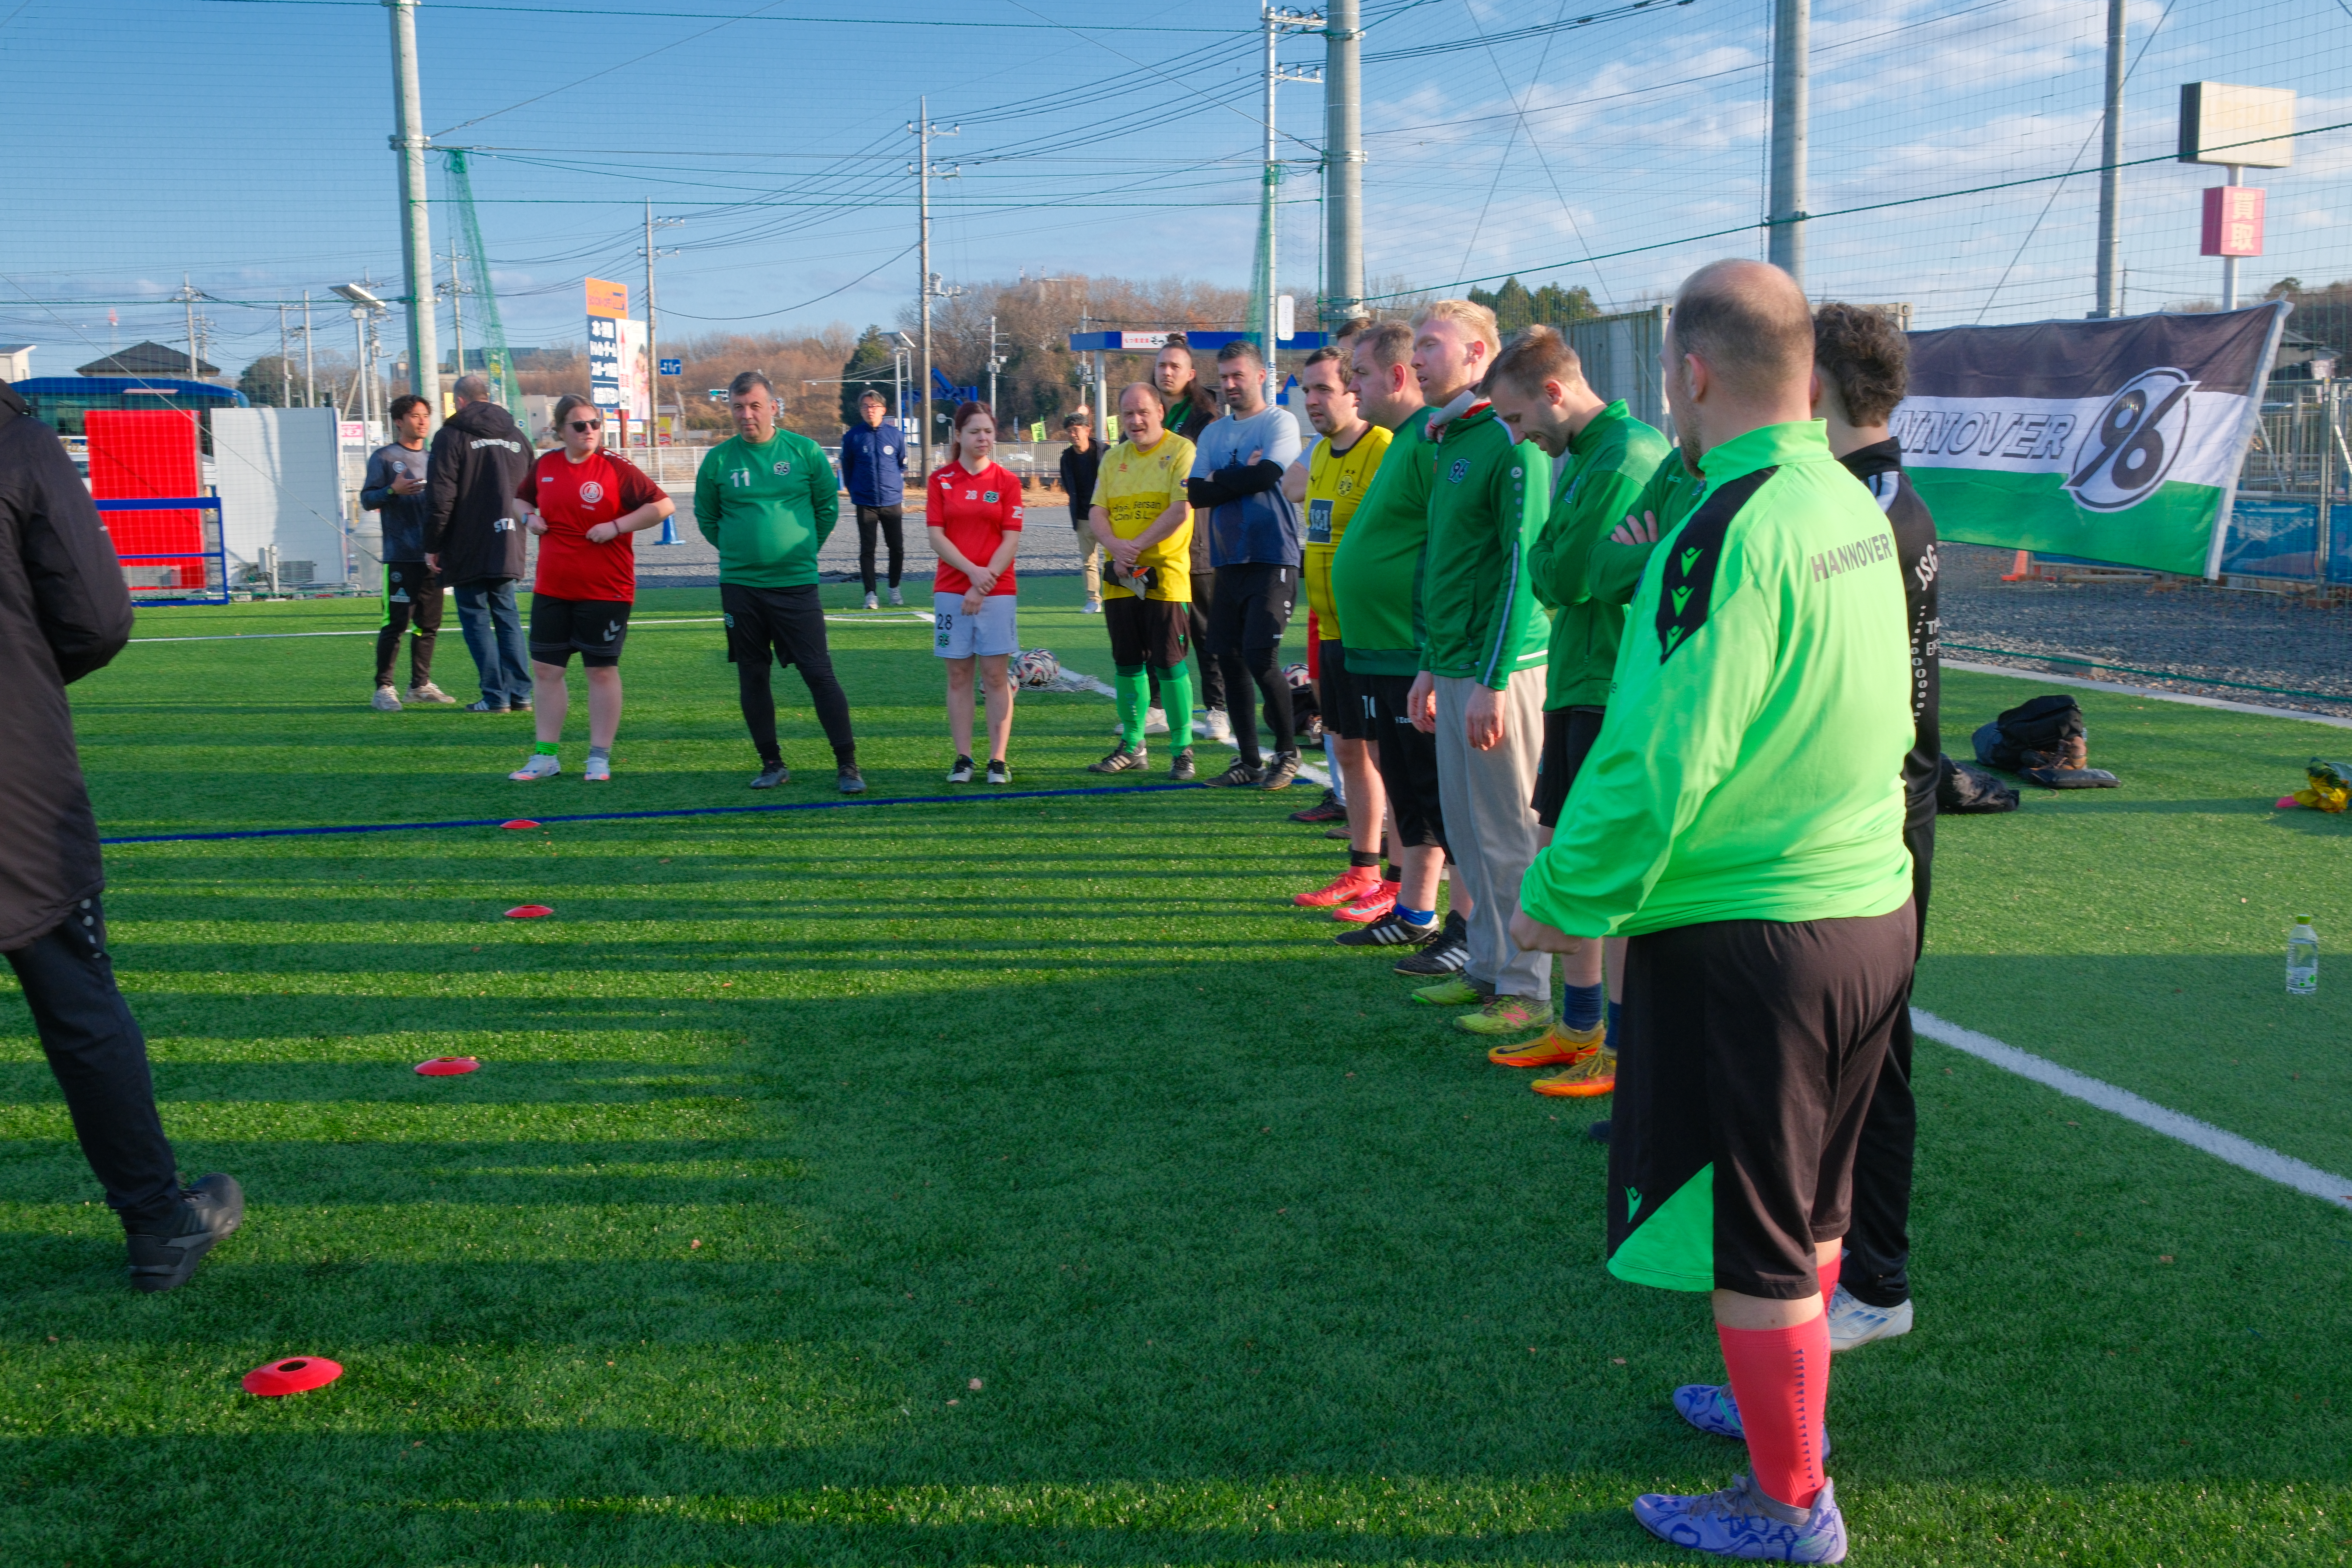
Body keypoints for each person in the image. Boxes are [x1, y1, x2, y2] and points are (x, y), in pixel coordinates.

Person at [1511, 260, 1916, 1563]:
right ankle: (1782, 1419)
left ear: (1688, 373)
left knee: (1758, 1241)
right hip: (1867, 912)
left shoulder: (1726, 522)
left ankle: (1788, 1503)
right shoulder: (1843, 493)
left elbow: (1657, 756)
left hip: (1759, 936)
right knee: (1812, 1209)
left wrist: (1559, 897)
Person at [0, 377, 244, 1293]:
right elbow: (98, 619)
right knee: (77, 1000)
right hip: (15, 781)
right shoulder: (21, 447)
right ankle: (157, 1221)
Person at [1481, 326, 1670, 1096]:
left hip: (1608, 687)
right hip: (1575, 679)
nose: (1516, 436)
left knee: (1601, 870)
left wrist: (1558, 557)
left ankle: (1623, 1049)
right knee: (1564, 860)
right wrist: (1557, 556)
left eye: (1517, 418)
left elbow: (1572, 578)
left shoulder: (1627, 456)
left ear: (1554, 393)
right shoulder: (1589, 454)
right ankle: (1582, 1024)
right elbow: (1552, 564)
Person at [1812, 301, 1940, 1355]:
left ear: (1812, 386)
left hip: (1882, 816)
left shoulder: (1868, 506)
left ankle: (1876, 1281)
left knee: (1873, 1054)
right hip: (1878, 807)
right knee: (1844, 1048)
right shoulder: (1864, 493)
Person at [1403, 300, 1555, 1038]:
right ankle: (1489, 966)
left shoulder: (1509, 439)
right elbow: (1449, 563)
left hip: (1503, 670)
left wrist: (1494, 681)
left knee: (1508, 834)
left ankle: (1529, 988)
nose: (1417, 358)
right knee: (1467, 833)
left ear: (1478, 355)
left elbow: (1521, 568)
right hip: (1459, 662)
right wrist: (1431, 666)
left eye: (1432, 345)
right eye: (1416, 346)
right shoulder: (1452, 438)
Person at [1327, 320, 1471, 975]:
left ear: (1394, 375)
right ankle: (1416, 911)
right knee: (1407, 789)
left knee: (1440, 792)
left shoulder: (1432, 439)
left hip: (1412, 649)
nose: (1350, 386)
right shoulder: (1408, 439)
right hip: (1378, 647)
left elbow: (1448, 544)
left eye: (1358, 374)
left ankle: (1468, 925)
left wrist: (1432, 653)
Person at [695, 370, 863, 793]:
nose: (746, 415)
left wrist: (799, 550)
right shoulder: (718, 460)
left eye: (755, 406)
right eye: (738, 407)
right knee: (753, 676)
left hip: (795, 583)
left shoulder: (804, 452)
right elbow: (707, 517)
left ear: (773, 407)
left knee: (818, 673)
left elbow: (826, 509)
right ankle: (772, 763)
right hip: (741, 587)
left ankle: (848, 765)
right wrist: (741, 551)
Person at [507, 394, 675, 782]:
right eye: (580, 425)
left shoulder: (616, 467)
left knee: (600, 671)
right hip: (553, 586)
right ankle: (546, 756)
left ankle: (599, 757)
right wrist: (529, 518)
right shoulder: (546, 465)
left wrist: (617, 526)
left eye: (595, 424)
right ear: (559, 430)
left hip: (606, 588)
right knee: (546, 670)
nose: (590, 431)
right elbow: (519, 499)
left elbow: (663, 506)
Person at [1282, 345, 1392, 912]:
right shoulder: (1322, 452)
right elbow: (1291, 489)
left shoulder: (1384, 448)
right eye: (1307, 390)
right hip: (1331, 627)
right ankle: (1363, 870)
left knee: (1388, 755)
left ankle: (1402, 879)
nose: (1311, 400)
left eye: (1323, 388)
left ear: (1357, 391)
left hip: (1376, 631)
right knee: (1348, 749)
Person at [1187, 339, 1305, 788]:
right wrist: (1238, 478)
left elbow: (1269, 475)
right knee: (1229, 657)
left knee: (1260, 656)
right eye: (1224, 377)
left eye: (1238, 375)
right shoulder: (1214, 433)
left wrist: (1220, 477)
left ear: (1261, 376)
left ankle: (1288, 753)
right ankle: (1250, 761)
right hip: (1228, 559)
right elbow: (1197, 494)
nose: (1230, 384)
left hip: (1274, 556)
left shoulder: (1279, 421)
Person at [1085, 381, 1198, 781]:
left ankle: (1183, 749)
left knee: (1169, 664)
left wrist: (1134, 547)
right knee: (1128, 663)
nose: (1135, 421)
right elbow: (1097, 511)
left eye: (1143, 412)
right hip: (1121, 576)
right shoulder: (1113, 458)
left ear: (1160, 412)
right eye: (1128, 413)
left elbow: (1181, 510)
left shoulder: (1182, 450)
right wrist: (1117, 547)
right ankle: (1133, 745)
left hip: (1165, 577)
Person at [425, 373, 536, 713]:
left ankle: (495, 696)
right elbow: (533, 487)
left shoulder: (451, 435)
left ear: (460, 401)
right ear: (488, 397)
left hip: (467, 541)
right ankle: (521, 694)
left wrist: (433, 543)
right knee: (507, 614)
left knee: (475, 616)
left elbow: (441, 495)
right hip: (509, 538)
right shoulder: (517, 435)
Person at [926, 400, 1023, 785]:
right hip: (952, 591)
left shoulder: (1007, 482)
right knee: (958, 675)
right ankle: (963, 758)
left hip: (998, 591)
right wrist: (972, 574)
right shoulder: (940, 481)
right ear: (958, 435)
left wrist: (984, 583)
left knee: (996, 676)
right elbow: (937, 537)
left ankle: (998, 759)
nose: (983, 438)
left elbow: (1011, 539)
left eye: (988, 431)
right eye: (974, 431)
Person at [361, 394, 454, 710]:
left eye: (426, 415)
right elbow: (367, 500)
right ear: (399, 421)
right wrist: (392, 490)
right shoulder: (385, 458)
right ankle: (384, 689)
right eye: (415, 416)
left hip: (432, 556)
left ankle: (420, 685)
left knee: (429, 625)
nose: (423, 421)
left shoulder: (435, 458)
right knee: (396, 624)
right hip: (401, 555)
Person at [1155, 336, 1227, 736]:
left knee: (1205, 628)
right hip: (1153, 539)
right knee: (1155, 624)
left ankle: (1217, 709)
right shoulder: (1146, 413)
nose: (1166, 373)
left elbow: (1212, 474)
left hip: (1196, 539)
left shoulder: (1205, 419)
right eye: (1162, 365)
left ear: (1191, 374)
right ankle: (1155, 707)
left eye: (1175, 367)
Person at [839, 388, 908, 610]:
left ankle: (894, 588)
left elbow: (901, 464)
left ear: (883, 410)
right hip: (865, 502)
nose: (870, 410)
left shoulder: (896, 436)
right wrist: (855, 490)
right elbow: (847, 467)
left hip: (891, 500)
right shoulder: (853, 437)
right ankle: (871, 594)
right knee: (868, 549)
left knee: (897, 547)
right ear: (861, 410)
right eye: (865, 406)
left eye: (874, 406)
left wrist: (894, 487)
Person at [1058, 411, 1105, 611]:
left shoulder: (1106, 453)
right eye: (1069, 431)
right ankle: (1094, 600)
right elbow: (1068, 486)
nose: (1072, 435)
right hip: (1083, 517)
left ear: (1087, 430)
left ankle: (1122, 597)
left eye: (1076, 430)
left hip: (1108, 516)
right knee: (1089, 561)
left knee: (1117, 557)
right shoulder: (1067, 458)